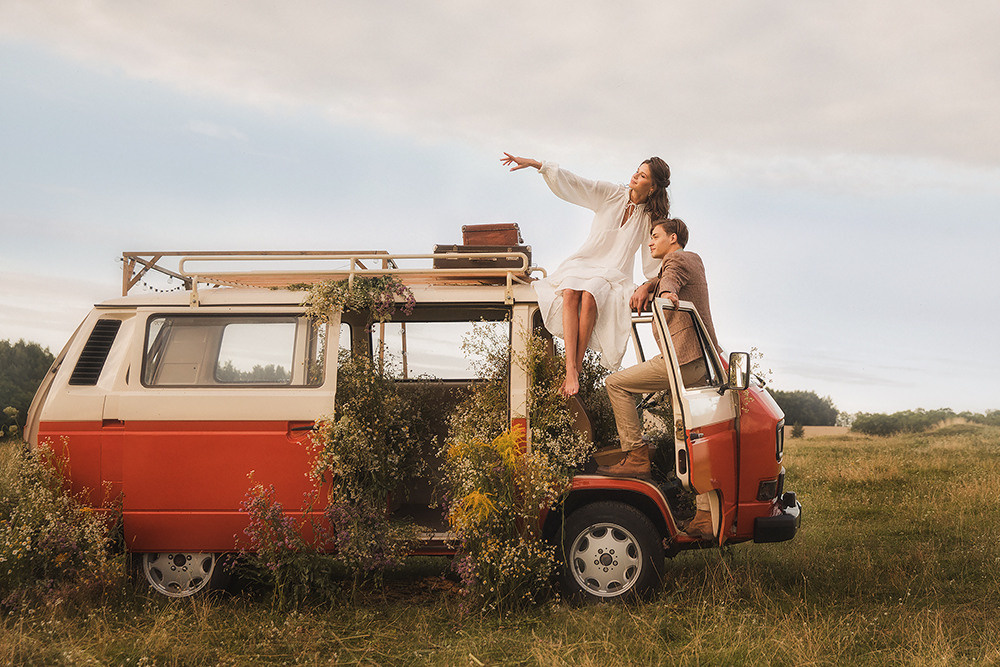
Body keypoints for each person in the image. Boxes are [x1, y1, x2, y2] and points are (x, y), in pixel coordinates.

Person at [501, 154, 671, 396]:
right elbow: (578, 184)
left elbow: (654, 258)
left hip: (613, 271)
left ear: (652, 187)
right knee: (569, 290)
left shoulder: (650, 219)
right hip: (585, 261)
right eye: (637, 170)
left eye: (642, 175)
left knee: (591, 293)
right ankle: (571, 369)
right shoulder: (611, 193)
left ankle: (575, 369)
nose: (634, 175)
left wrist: (650, 283)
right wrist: (539, 165)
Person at [597, 217, 720, 540]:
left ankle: (636, 454)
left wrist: (664, 292)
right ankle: (705, 517)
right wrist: (649, 284)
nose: (650, 242)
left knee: (616, 384)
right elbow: (663, 277)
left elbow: (671, 280)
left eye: (655, 236)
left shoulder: (678, 261)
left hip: (682, 358)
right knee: (693, 436)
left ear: (673, 238)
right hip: (697, 361)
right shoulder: (690, 260)